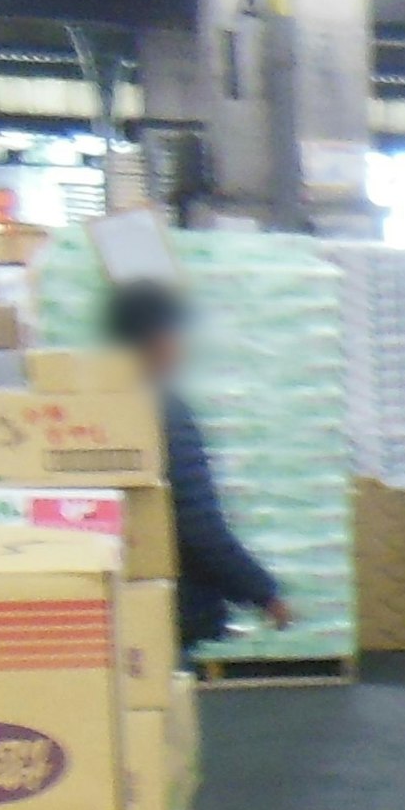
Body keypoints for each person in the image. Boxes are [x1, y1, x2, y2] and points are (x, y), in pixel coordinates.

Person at [105, 280, 290, 658]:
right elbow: (196, 523)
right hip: (167, 604)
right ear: (158, 339)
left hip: (112, 601)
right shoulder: (162, 412)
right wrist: (263, 592)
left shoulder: (97, 406)